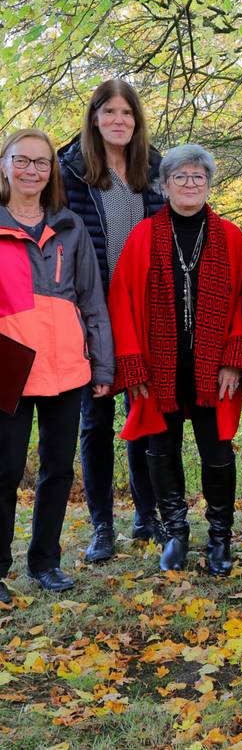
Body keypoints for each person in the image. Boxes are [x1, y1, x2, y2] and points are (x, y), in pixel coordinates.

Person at [107, 145, 242, 574]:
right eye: (181, 177)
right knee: (160, 447)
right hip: (159, 366)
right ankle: (174, 533)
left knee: (218, 452)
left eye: (198, 177)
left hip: (213, 368)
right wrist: (132, 365)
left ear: (209, 184)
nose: (190, 184)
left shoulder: (229, 236)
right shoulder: (144, 235)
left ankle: (220, 537)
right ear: (165, 184)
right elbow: (121, 301)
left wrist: (233, 358)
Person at [0, 129, 113, 599]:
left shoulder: (69, 227)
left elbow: (92, 302)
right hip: (10, 366)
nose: (32, 170)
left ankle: (45, 561)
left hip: (68, 365)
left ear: (51, 172)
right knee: (4, 470)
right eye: (22, 161)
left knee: (58, 470)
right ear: (5, 166)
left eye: (41, 163)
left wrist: (103, 367)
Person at [59, 79, 167, 563]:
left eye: (128, 113)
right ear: (95, 117)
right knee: (95, 420)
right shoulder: (72, 172)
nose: (119, 121)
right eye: (110, 112)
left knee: (145, 414)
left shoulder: (157, 170)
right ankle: (103, 525)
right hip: (93, 312)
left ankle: (149, 515)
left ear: (136, 121)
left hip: (145, 312)